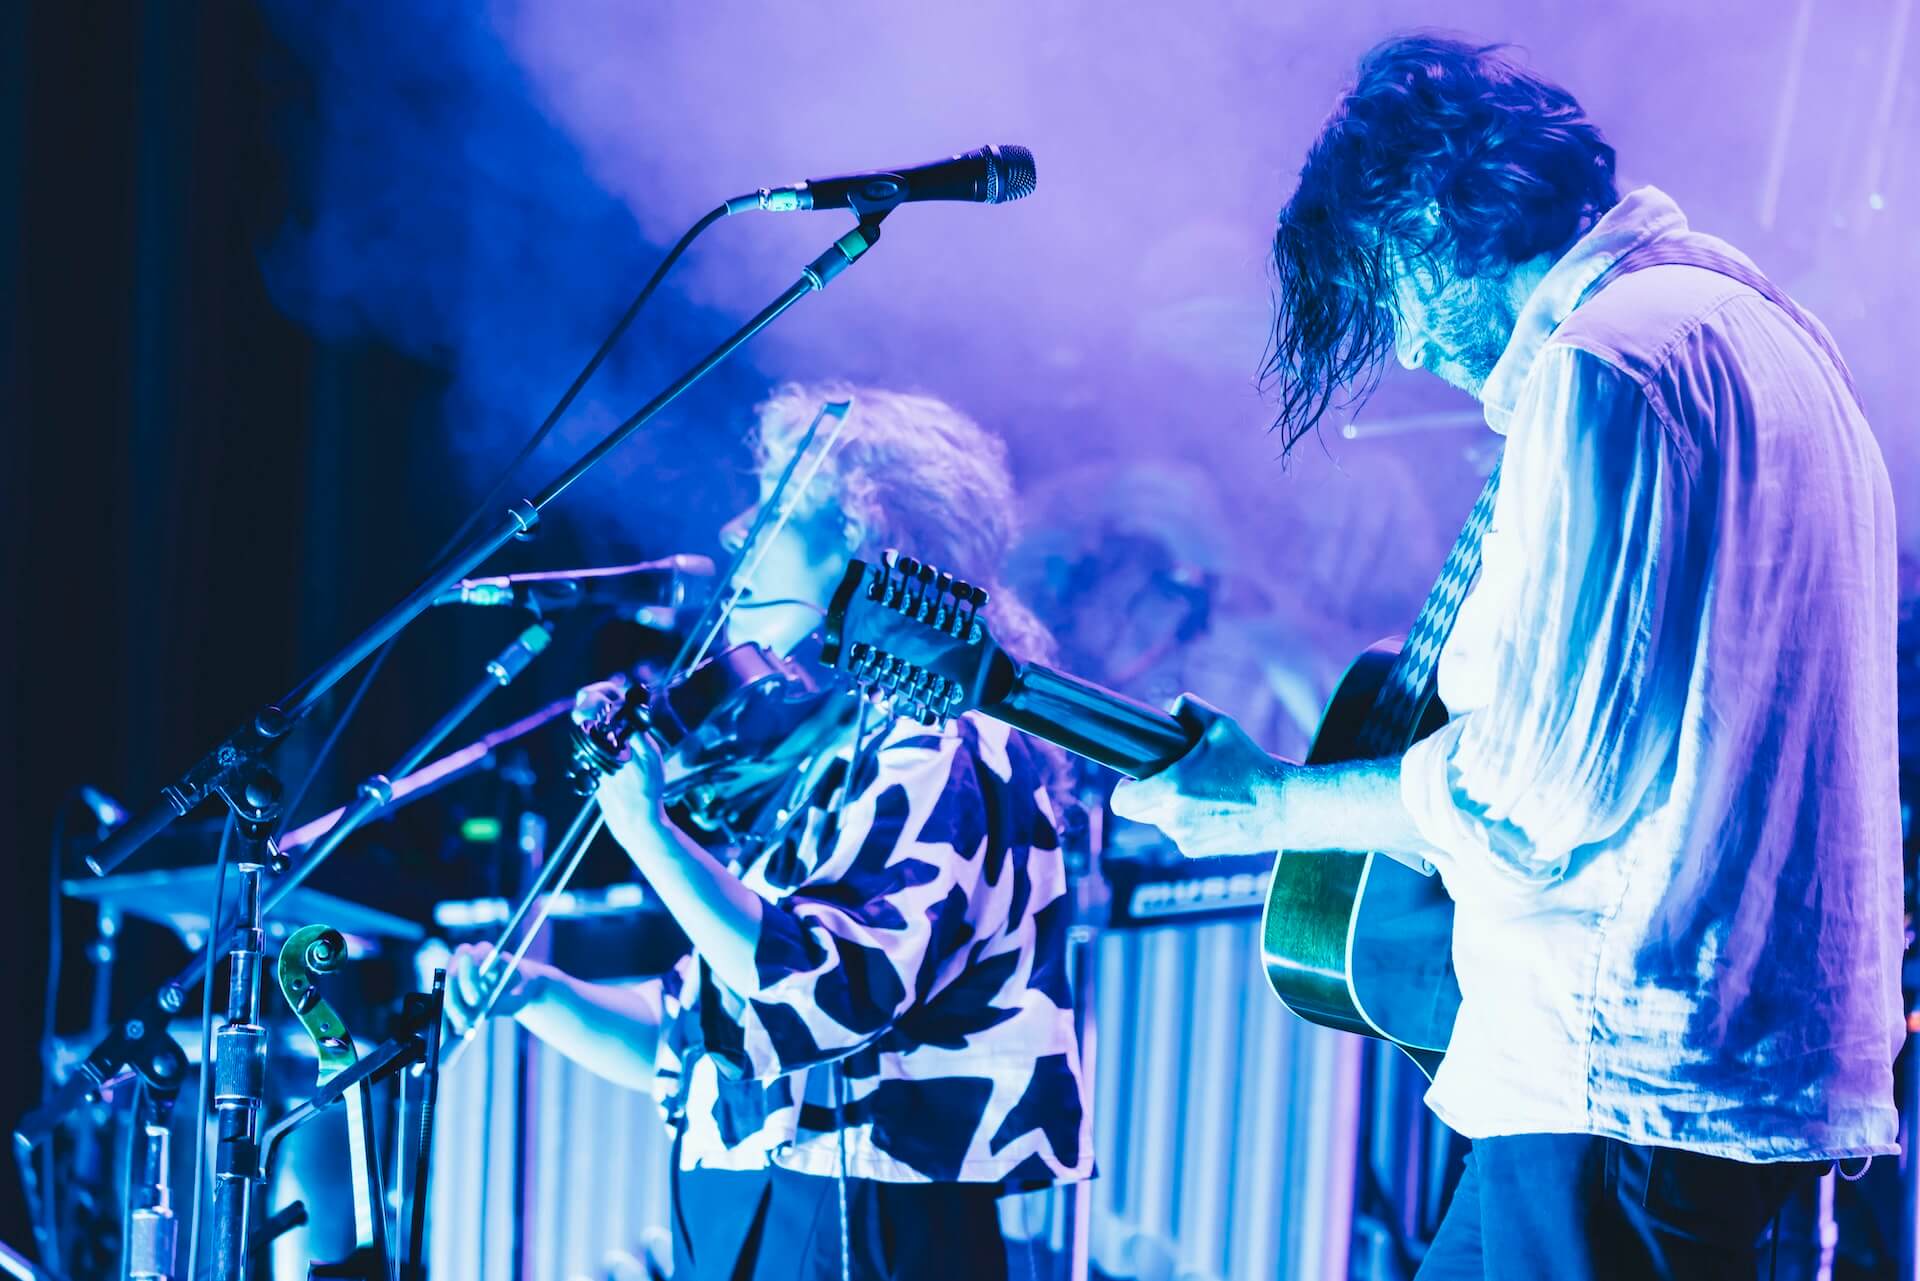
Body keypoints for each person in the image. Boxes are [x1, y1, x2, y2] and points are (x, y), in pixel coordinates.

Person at [1111, 33, 1902, 1281]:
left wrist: (1266, 804)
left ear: (1432, 213)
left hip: (1612, 1077)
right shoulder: (1779, 345)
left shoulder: (1607, 365)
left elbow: (1530, 796)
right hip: (1717, 1066)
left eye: (1393, 292)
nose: (1411, 350)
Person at [446, 383, 1091, 1281]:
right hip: (744, 1211)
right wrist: (541, 994)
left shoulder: (943, 740)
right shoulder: (817, 755)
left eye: (776, 506)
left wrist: (649, 833)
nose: (734, 532)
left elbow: (827, 990)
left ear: (865, 540)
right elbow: (701, 1035)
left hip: (865, 1218)